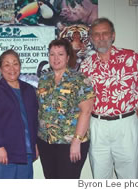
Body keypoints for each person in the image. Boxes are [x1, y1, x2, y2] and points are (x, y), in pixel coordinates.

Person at [80, 17, 138, 179]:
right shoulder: (86, 65)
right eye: (96, 35)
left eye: (105, 33)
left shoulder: (130, 58)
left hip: (126, 124)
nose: (101, 38)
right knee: (100, 176)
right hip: (98, 126)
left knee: (128, 177)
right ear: (91, 39)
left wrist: (133, 120)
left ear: (113, 35)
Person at [37, 38, 95, 179]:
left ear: (68, 57)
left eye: (60, 54)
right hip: (46, 142)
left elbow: (86, 111)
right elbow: (40, 111)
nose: (56, 58)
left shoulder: (80, 79)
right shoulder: (44, 79)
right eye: (52, 54)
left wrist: (76, 141)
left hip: (70, 143)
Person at [0, 49, 39, 179]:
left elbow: (33, 120)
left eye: (15, 63)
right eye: (7, 65)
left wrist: (35, 143)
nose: (12, 68)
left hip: (25, 152)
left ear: (20, 66)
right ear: (0, 69)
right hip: (3, 153)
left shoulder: (29, 89)